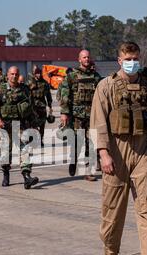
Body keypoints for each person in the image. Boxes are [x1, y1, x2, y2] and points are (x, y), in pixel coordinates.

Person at [90, 42, 147, 255]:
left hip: (143, 151)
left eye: (135, 58)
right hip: (116, 150)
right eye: (128, 58)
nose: (132, 62)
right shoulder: (106, 86)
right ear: (119, 60)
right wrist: (103, 154)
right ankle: (111, 249)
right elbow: (97, 123)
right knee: (113, 209)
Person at [0, 66, 39, 189]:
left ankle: (27, 177)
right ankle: (6, 174)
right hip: (5, 125)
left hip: (21, 124)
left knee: (25, 148)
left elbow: (31, 109)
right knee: (5, 152)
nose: (14, 76)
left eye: (16, 74)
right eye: (12, 74)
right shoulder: (0, 90)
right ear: (7, 75)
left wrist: (35, 125)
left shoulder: (25, 90)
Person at [59, 50, 102, 181]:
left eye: (88, 57)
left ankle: (88, 171)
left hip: (91, 115)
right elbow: (65, 95)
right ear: (79, 59)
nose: (87, 59)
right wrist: (64, 113)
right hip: (76, 115)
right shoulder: (72, 76)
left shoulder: (96, 76)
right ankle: (73, 160)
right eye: (84, 57)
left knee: (91, 143)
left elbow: (101, 94)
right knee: (77, 142)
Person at [28, 66, 53, 147]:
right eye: (36, 73)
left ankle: (41, 140)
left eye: (39, 73)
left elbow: (48, 96)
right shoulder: (29, 83)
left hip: (42, 107)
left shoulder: (45, 83)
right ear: (34, 74)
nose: (38, 75)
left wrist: (50, 106)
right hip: (33, 107)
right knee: (32, 124)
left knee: (42, 125)